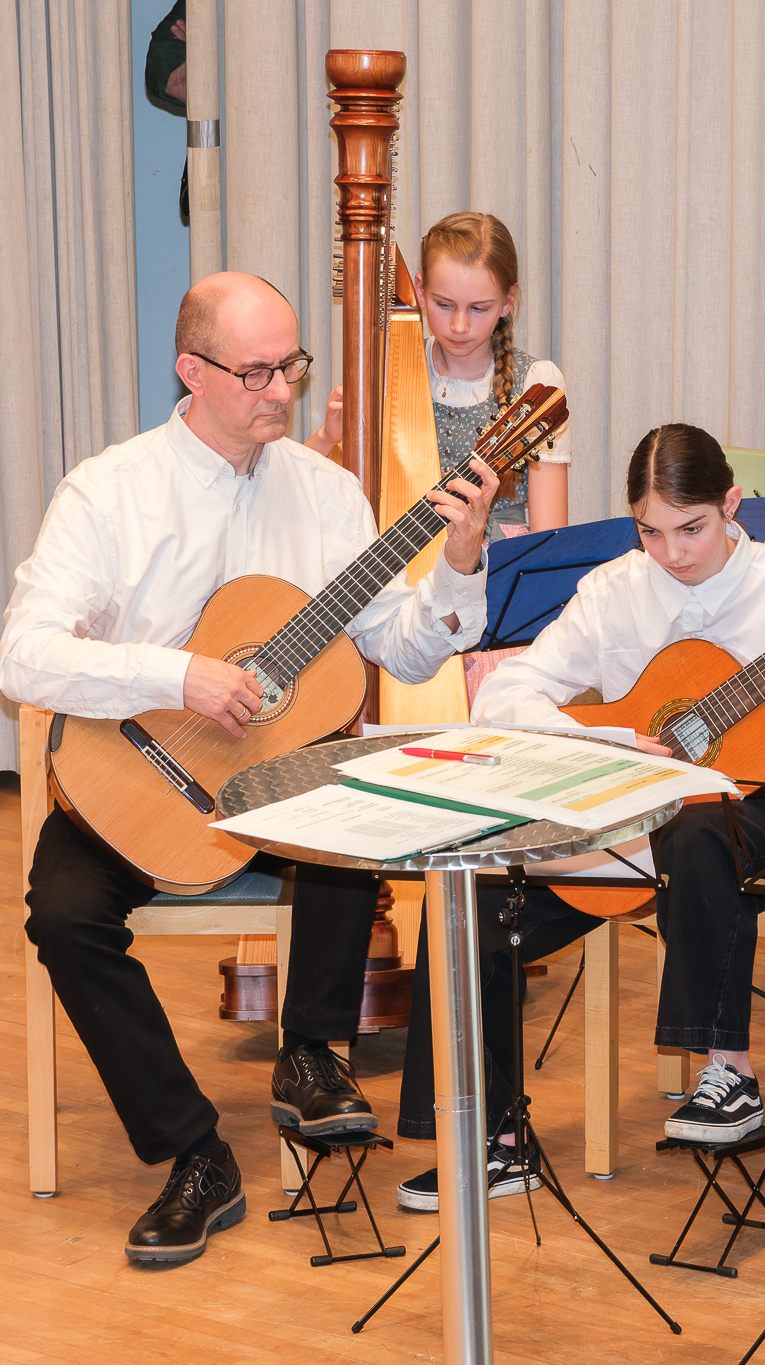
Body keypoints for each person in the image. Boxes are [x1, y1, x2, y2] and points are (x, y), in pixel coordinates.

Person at [0, 271, 498, 1265]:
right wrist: (177, 675)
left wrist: (461, 558)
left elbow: (399, 650)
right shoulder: (111, 490)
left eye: (291, 367)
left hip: (269, 786)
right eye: (258, 371)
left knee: (353, 791)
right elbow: (23, 654)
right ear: (191, 370)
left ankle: (310, 1055)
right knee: (60, 915)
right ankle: (193, 1155)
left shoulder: (325, 495)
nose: (281, 392)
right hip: (133, 776)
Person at [386, 423, 765, 1210]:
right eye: (652, 530)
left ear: (733, 506)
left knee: (698, 819)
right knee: (472, 889)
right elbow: (511, 693)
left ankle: (727, 1072)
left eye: (693, 528)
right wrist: (604, 737)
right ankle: (492, 1138)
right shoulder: (615, 589)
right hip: (630, 820)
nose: (674, 551)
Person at [309, 210, 570, 540]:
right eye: (444, 305)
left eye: (478, 308)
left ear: (507, 302)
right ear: (420, 289)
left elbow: (549, 542)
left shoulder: (536, 382)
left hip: (497, 570)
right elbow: (298, 493)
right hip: (401, 566)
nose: (459, 325)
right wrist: (328, 437)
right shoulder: (392, 371)